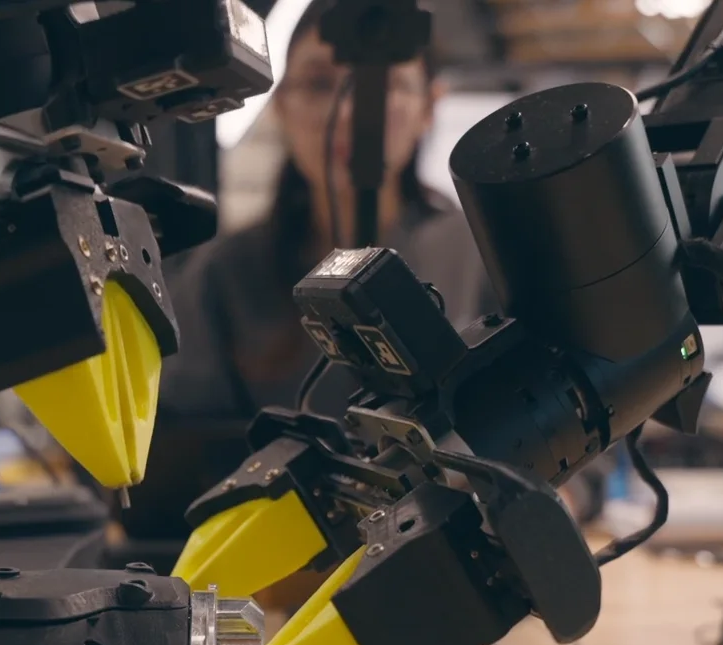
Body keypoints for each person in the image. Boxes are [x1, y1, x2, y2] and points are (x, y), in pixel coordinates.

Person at [159, 0, 494, 421]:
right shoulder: (224, 273)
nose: (351, 112)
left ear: (429, 106)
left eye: (383, 84)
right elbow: (177, 434)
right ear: (280, 105)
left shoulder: (482, 255)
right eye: (319, 85)